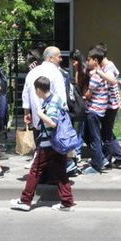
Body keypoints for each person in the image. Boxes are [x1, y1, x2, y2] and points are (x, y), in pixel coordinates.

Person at [10, 76, 75, 211]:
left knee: (35, 171)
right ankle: (67, 202)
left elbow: (52, 122)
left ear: (39, 90)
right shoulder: (57, 98)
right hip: (59, 143)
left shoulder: (50, 104)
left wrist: (39, 113)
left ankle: (25, 200)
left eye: (35, 90)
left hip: (49, 143)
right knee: (61, 172)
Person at [21, 46, 67, 136]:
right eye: (59, 56)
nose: (61, 59)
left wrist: (27, 113)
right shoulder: (56, 73)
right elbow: (61, 99)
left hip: (37, 119)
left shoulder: (32, 73)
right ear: (50, 58)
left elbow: (25, 96)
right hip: (53, 121)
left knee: (39, 146)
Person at [95, 43, 121, 167]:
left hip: (111, 105)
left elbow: (111, 79)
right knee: (106, 132)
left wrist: (98, 71)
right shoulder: (108, 66)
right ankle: (111, 157)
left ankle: (118, 156)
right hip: (109, 103)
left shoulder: (108, 66)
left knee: (106, 133)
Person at [81, 47, 110, 174]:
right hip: (97, 109)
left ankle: (97, 165)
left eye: (89, 60)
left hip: (94, 110)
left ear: (96, 61)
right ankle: (101, 158)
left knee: (94, 138)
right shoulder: (100, 73)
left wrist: (80, 97)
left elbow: (88, 95)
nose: (87, 62)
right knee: (86, 135)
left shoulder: (95, 76)